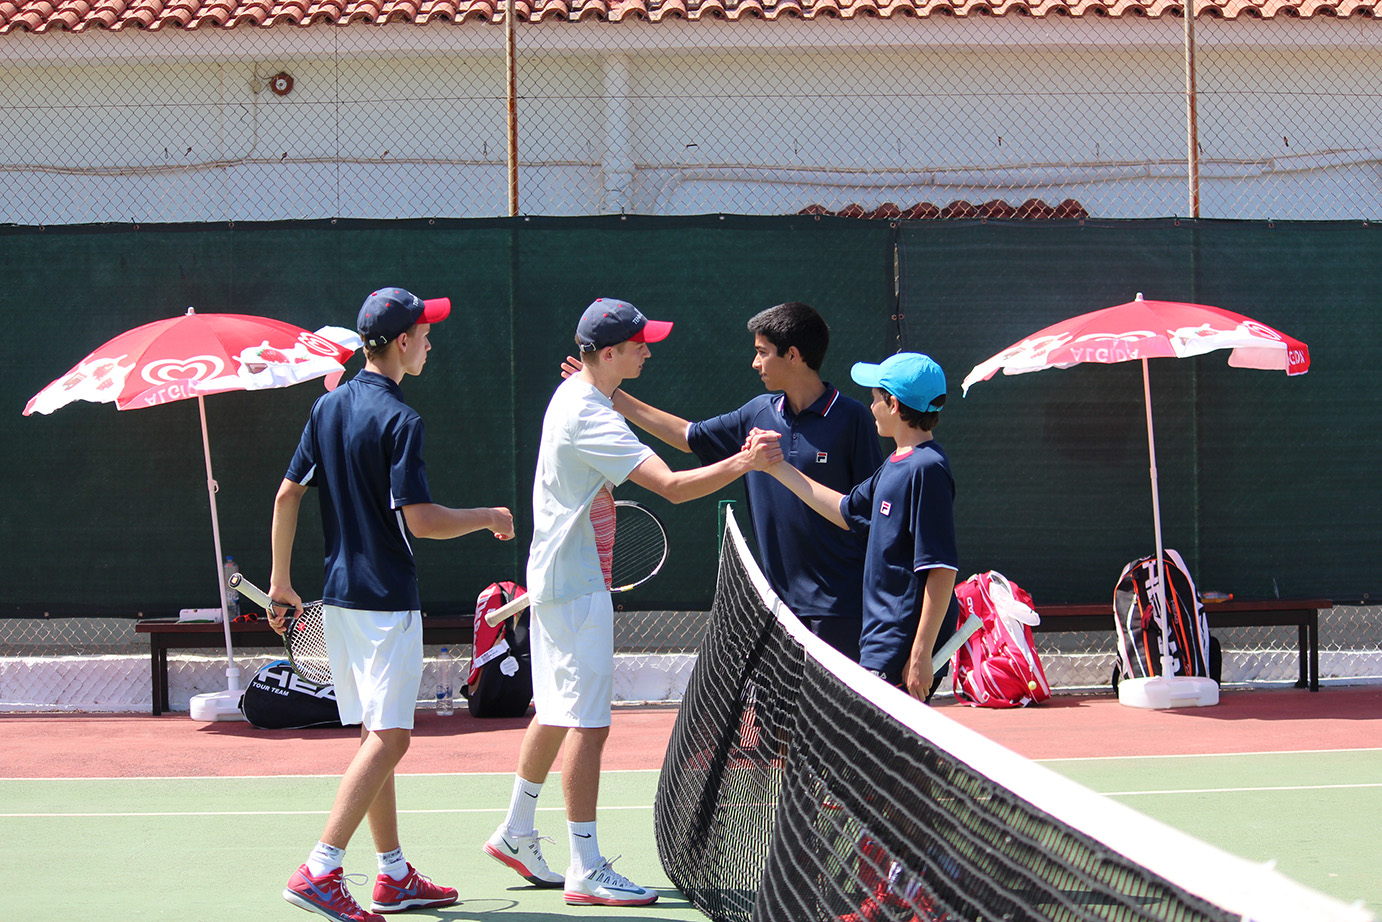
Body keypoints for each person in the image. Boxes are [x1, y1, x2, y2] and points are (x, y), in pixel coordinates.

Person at [483, 297, 781, 907]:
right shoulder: (591, 415)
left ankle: (516, 830)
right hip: (575, 587)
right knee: (588, 726)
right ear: (610, 352)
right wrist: (747, 462)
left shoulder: (576, 396)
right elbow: (672, 487)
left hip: (557, 580)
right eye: (639, 344)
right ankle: (585, 866)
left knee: (556, 712)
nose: (648, 351)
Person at [269, 287, 515, 922]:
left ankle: (393, 875)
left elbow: (287, 495)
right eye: (425, 334)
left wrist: (280, 582)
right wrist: (488, 516)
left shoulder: (326, 407)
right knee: (391, 738)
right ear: (402, 342)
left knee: (373, 737)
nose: (431, 343)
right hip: (385, 602)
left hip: (339, 603)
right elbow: (422, 521)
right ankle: (320, 868)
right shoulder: (402, 419)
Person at [564, 301, 882, 660]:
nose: (755, 363)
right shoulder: (758, 412)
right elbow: (687, 436)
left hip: (841, 609)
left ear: (793, 355)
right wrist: (609, 392)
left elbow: (865, 514)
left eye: (762, 352)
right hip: (776, 608)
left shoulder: (852, 418)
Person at [759, 352, 959, 701]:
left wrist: (920, 654)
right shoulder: (895, 464)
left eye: (875, 398)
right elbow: (844, 510)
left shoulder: (927, 470)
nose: (871, 407)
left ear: (893, 405)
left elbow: (941, 569)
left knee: (869, 733)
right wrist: (776, 467)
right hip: (878, 638)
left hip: (900, 644)